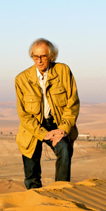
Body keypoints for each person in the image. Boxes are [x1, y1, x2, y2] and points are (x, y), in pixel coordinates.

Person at [15, 38, 80, 189]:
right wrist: (42, 133)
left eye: (43, 56)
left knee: (64, 149)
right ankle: (35, 200)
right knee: (31, 170)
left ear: (52, 56)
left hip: (57, 124)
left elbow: (72, 102)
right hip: (32, 128)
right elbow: (23, 114)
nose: (39, 60)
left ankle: (61, 190)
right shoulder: (21, 79)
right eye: (35, 56)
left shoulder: (63, 71)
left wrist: (63, 129)